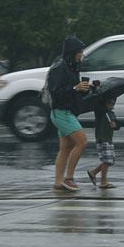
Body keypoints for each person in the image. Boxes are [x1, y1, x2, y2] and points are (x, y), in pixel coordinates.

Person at [48, 35, 91, 191]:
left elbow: (73, 92)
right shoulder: (59, 68)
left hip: (67, 112)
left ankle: (58, 183)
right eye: (80, 52)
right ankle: (69, 178)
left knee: (66, 147)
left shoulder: (72, 67)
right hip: (61, 112)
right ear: (72, 52)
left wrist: (87, 89)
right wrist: (75, 88)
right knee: (82, 142)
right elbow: (56, 93)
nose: (82, 55)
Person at [87, 97, 120, 189]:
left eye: (113, 103)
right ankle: (103, 182)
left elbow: (117, 125)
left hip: (109, 139)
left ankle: (94, 172)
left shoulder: (111, 114)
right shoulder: (101, 113)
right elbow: (98, 106)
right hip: (103, 139)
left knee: (110, 161)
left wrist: (116, 125)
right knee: (107, 161)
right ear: (105, 103)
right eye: (109, 102)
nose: (112, 104)